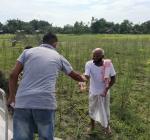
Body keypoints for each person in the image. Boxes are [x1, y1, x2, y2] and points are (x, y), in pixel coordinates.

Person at [7, 32, 86, 140]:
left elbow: (13, 75)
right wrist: (84, 78)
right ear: (55, 44)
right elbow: (75, 76)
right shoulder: (58, 57)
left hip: (23, 103)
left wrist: (12, 96)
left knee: (21, 137)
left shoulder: (27, 52)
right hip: (45, 103)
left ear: (42, 42)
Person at [80, 48, 116, 135]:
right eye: (93, 56)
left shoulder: (108, 64)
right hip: (93, 92)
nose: (94, 58)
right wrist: (82, 82)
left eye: (96, 56)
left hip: (104, 92)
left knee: (106, 110)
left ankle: (107, 127)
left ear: (102, 57)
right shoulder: (89, 64)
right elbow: (86, 76)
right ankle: (92, 126)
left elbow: (113, 79)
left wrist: (106, 89)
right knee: (92, 109)